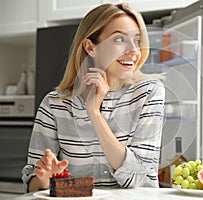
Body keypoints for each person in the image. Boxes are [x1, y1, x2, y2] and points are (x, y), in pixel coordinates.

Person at [22, 2, 165, 192]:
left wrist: (94, 114)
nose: (134, 50)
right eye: (119, 39)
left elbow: (140, 177)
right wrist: (44, 179)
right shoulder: (54, 104)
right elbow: (33, 184)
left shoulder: (149, 92)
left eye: (137, 40)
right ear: (90, 47)